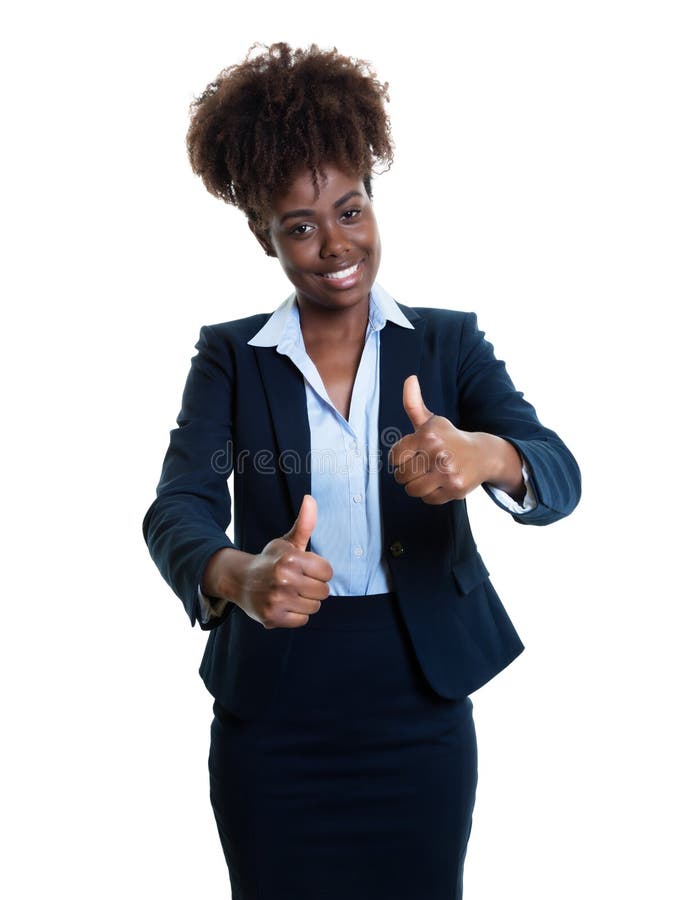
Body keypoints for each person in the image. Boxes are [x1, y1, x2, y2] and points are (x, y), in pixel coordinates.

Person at [142, 42, 581, 900]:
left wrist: (485, 457)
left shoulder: (447, 342)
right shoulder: (232, 357)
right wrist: (239, 574)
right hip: (273, 711)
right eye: (300, 226)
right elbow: (176, 509)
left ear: (374, 202)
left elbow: (558, 473)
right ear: (263, 234)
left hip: (418, 703)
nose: (333, 245)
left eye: (350, 211)